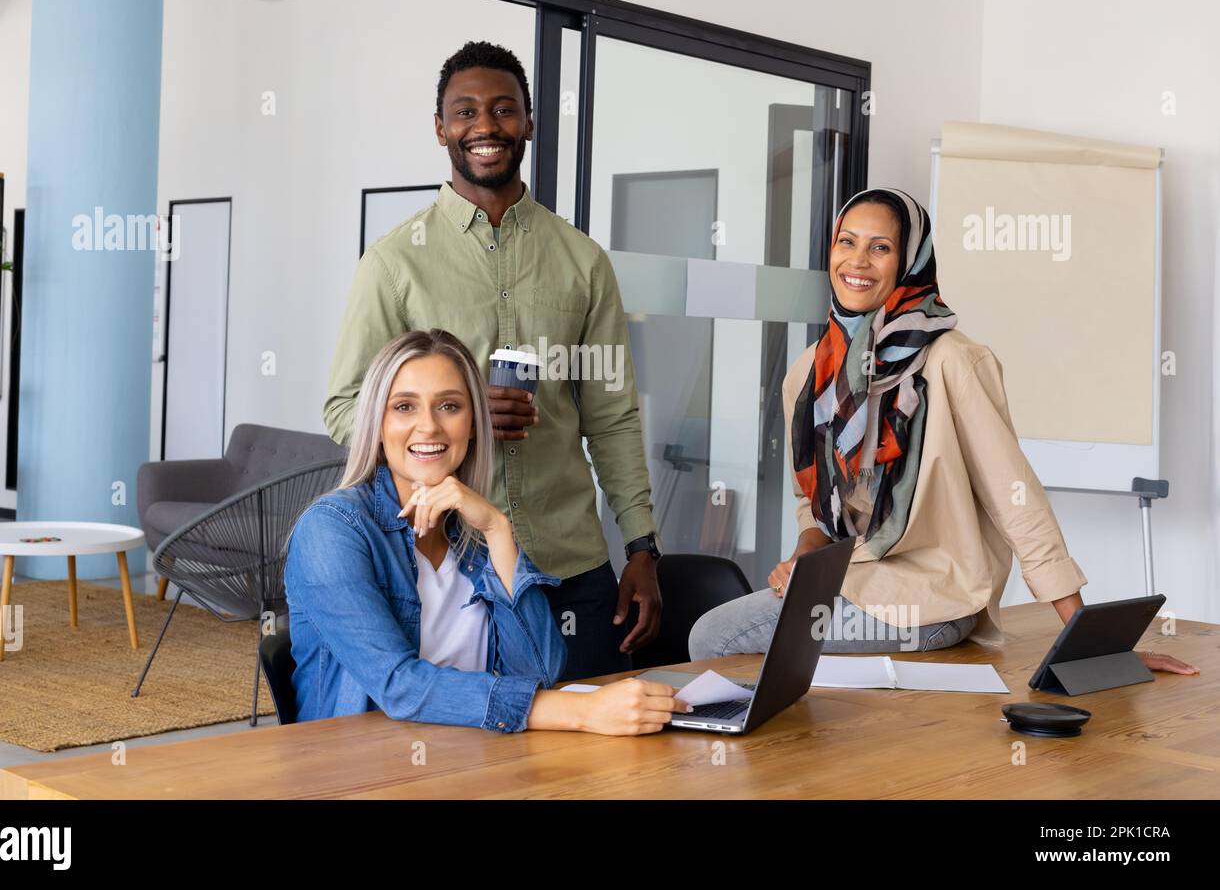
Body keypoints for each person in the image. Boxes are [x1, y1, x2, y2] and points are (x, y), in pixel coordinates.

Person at [690, 187, 1198, 676]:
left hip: (930, 605)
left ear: (910, 260)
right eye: (848, 241)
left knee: (712, 637)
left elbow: (1015, 496)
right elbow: (814, 500)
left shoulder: (953, 360)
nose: (858, 261)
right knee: (743, 648)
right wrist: (805, 554)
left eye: (881, 247)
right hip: (854, 578)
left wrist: (1093, 643)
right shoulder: (809, 374)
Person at [325, 40, 661, 681]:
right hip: (450, 566)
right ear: (441, 129)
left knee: (592, 763)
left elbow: (612, 417)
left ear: (529, 122)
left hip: (571, 566)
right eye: (465, 112)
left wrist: (642, 548)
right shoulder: (394, 264)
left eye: (504, 109)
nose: (485, 126)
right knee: (468, 764)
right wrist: (461, 414)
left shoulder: (583, 263)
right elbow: (346, 408)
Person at [288, 329, 689, 734]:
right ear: (377, 424)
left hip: (473, 761)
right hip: (361, 773)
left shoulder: (474, 528)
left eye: (449, 406)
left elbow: (538, 670)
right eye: (405, 407)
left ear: (474, 424)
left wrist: (499, 530)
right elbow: (399, 686)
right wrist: (581, 712)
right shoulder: (333, 530)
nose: (428, 426)